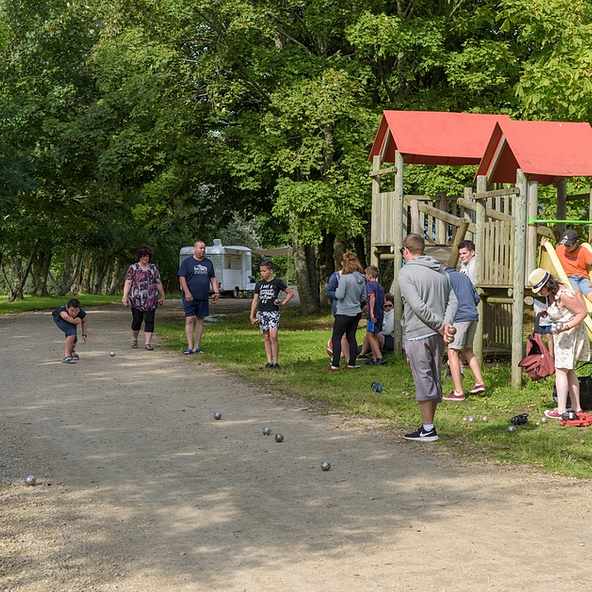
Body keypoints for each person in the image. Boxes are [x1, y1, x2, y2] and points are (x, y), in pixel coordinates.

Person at [398, 234, 457, 441]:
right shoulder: (440, 271)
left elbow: (417, 306)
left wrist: (442, 325)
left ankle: (428, 428)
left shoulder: (406, 273)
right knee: (433, 376)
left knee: (422, 377)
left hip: (418, 333)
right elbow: (453, 300)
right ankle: (429, 425)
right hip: (437, 334)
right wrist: (445, 324)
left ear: (406, 250)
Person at [528, 268, 590, 419]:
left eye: (540, 289)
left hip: (571, 332)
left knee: (561, 370)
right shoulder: (551, 295)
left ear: (546, 284)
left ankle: (561, 410)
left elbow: (582, 313)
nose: (539, 293)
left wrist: (565, 327)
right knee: (569, 370)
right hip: (561, 333)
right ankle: (577, 408)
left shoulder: (564, 295)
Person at [442, 266, 486, 401]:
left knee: (452, 351)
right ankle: (479, 382)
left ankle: (458, 391)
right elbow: (476, 297)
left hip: (459, 317)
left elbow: (445, 301)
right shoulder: (464, 277)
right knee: (467, 349)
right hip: (473, 315)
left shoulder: (444, 278)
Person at [178, 240, 220, 355]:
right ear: (194, 249)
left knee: (200, 320)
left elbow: (212, 278)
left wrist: (216, 291)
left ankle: (197, 347)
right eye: (200, 248)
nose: (203, 250)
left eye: (204, 248)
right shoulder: (187, 262)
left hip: (203, 296)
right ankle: (189, 347)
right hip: (190, 296)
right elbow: (182, 278)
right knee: (189, 319)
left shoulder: (208, 263)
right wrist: (187, 292)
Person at [250, 260, 294, 369]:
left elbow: (290, 293)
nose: (262, 273)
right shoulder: (259, 284)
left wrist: (283, 303)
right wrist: (252, 315)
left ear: (271, 271)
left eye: (264, 271)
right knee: (266, 336)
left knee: (274, 336)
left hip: (273, 311)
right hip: (262, 312)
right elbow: (255, 300)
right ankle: (269, 361)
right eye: (261, 271)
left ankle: (276, 361)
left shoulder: (277, 282)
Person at [122, 244, 166, 350]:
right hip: (136, 299)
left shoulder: (153, 268)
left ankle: (147, 343)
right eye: (143, 256)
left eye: (147, 256)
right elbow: (128, 282)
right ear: (139, 256)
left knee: (149, 321)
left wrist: (163, 296)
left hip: (151, 299)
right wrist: (125, 296)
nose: (145, 258)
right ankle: (134, 339)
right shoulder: (133, 268)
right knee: (137, 320)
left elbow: (158, 282)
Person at [328, 252, 366, 371]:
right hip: (356, 311)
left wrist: (337, 291)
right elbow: (363, 297)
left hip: (344, 311)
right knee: (351, 337)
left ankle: (335, 365)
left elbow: (339, 295)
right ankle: (351, 364)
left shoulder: (345, 278)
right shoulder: (361, 278)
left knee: (337, 337)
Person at [553, 230, 592, 305]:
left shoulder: (583, 250)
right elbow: (551, 258)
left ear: (577, 242)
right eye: (565, 244)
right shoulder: (561, 249)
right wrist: (544, 244)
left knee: (590, 294)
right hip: (569, 277)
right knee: (577, 294)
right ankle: (584, 313)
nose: (567, 247)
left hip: (582, 277)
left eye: (569, 245)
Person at [325, 258, 350, 363]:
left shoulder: (354, 277)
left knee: (348, 335)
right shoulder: (335, 276)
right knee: (341, 334)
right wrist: (338, 294)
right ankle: (337, 356)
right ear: (342, 263)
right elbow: (328, 291)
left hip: (350, 309)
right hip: (339, 309)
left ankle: (342, 353)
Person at [52, 298, 88, 364]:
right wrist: (75, 321)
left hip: (71, 320)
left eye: (76, 311)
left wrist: (84, 334)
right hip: (60, 319)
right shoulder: (63, 311)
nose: (74, 313)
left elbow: (84, 321)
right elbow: (65, 317)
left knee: (73, 342)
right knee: (71, 333)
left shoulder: (80, 312)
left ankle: (71, 350)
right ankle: (67, 356)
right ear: (67, 308)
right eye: (71, 311)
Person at [363, 265, 386, 365]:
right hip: (380, 313)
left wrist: (371, 311)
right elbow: (384, 300)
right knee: (375, 335)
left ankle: (380, 357)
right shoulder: (379, 286)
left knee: (369, 335)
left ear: (370, 275)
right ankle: (375, 357)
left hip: (374, 314)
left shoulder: (369, 285)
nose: (365, 276)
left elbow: (372, 297)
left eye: (366, 274)